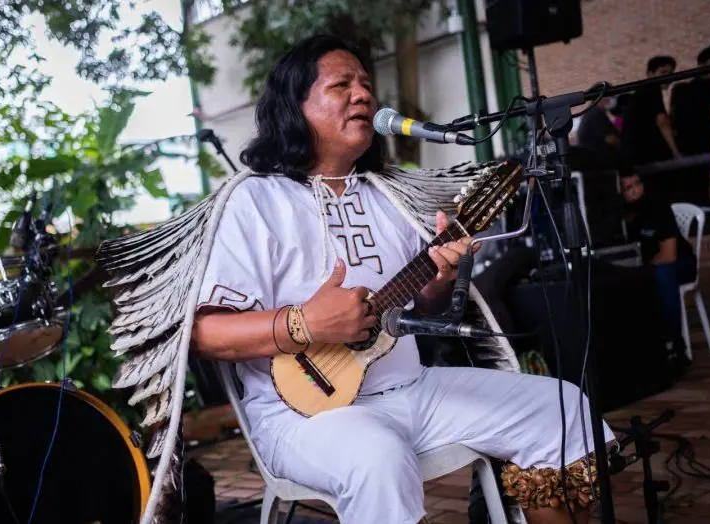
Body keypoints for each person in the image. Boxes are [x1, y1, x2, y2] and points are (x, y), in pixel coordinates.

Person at [191, 35, 615, 524]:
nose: (363, 95)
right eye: (342, 85)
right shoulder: (253, 202)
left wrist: (439, 278)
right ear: (295, 105)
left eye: (366, 85)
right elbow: (205, 334)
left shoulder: (390, 196)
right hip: (302, 416)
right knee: (377, 456)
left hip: (412, 390)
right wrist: (303, 324)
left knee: (560, 407)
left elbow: (422, 310)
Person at [619, 167, 696, 370]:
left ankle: (675, 346)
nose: (635, 190)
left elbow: (669, 255)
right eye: (628, 188)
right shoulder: (620, 217)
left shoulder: (658, 207)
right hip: (646, 267)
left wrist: (644, 271)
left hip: (681, 263)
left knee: (663, 274)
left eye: (637, 184)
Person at [620, 56, 682, 167]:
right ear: (650, 74)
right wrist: (676, 152)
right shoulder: (653, 89)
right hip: (646, 153)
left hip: (634, 154)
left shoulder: (641, 92)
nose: (668, 77)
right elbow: (662, 121)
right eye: (663, 72)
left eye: (670, 73)